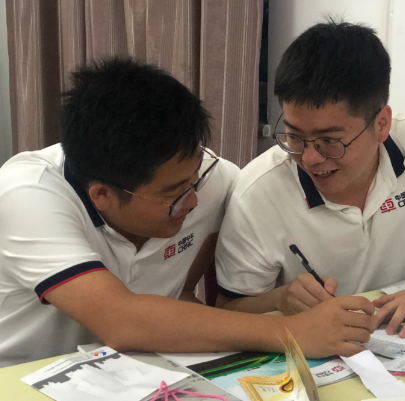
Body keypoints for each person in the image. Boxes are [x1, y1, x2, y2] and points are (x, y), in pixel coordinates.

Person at [0, 58, 375, 368]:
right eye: (173, 194)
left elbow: (179, 295)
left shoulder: (214, 181)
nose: (194, 201)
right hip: (23, 378)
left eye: (196, 179)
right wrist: (291, 333)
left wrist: (279, 301)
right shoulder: (27, 194)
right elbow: (121, 320)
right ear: (102, 195)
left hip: (137, 375)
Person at [215, 21, 405, 339]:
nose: (310, 157)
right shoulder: (257, 191)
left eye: (330, 141)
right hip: (307, 349)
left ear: (381, 124)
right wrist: (280, 299)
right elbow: (225, 311)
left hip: (393, 341)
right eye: (294, 135)